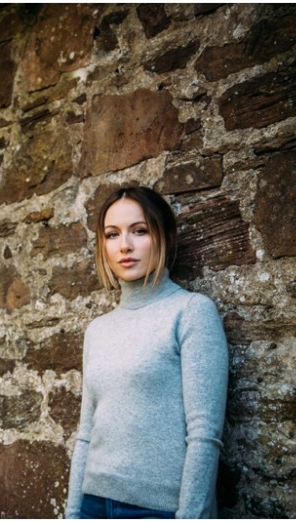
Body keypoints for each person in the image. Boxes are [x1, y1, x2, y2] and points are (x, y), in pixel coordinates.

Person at [65, 186, 228, 519]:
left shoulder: (191, 312)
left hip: (157, 509)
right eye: (112, 234)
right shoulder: (98, 330)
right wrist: (72, 513)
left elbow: (204, 435)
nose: (124, 245)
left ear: (163, 236)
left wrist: (191, 516)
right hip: (92, 503)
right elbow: (86, 433)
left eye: (139, 231)